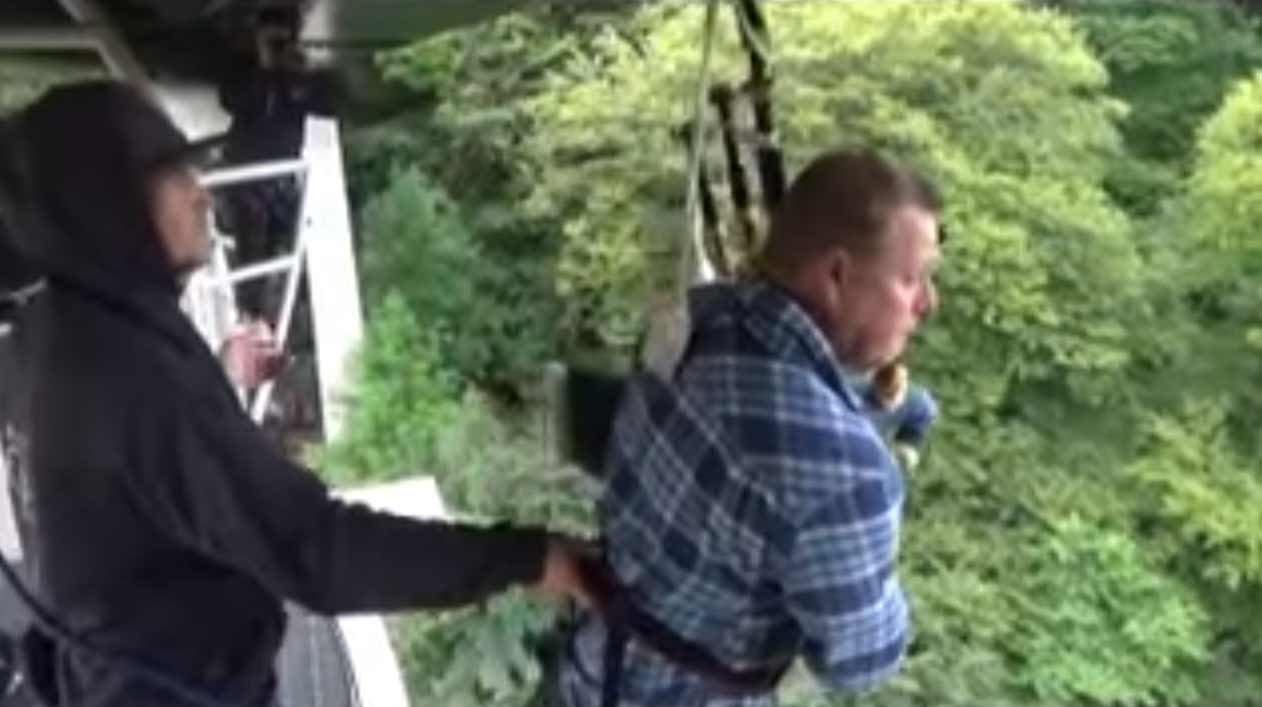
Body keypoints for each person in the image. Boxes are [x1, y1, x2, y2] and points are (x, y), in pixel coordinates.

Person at [0, 80, 592, 707]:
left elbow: (130, 479)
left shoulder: (50, 337)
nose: (201, 192)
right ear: (106, 203)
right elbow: (316, 551)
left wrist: (219, 377)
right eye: (173, 173)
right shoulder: (133, 377)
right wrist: (526, 558)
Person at [552, 149, 942, 707]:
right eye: (911, 279)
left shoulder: (696, 317)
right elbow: (861, 662)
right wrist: (877, 513)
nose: (928, 303)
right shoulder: (849, 476)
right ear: (836, 275)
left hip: (592, 668)